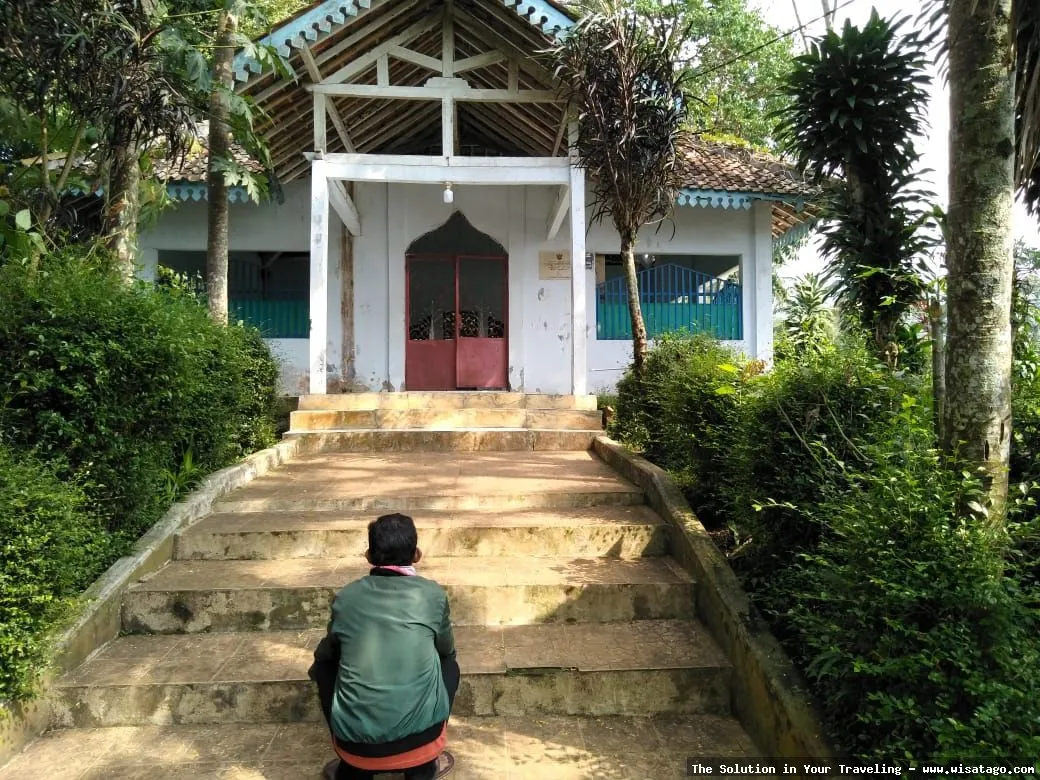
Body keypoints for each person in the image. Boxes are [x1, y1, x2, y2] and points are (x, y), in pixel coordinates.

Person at [309, 513, 458, 780]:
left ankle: (353, 766)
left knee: (323, 667)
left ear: (368, 555)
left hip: (356, 747)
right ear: (417, 555)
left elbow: (326, 653)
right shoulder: (431, 595)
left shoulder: (347, 597)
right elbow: (446, 648)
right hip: (419, 742)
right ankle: (423, 764)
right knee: (449, 664)